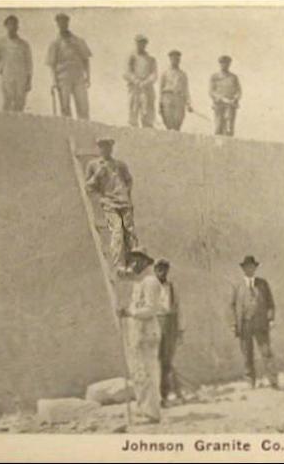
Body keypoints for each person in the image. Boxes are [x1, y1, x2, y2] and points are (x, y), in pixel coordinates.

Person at [117, 246, 161, 424]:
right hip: (136, 332)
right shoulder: (139, 282)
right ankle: (144, 408)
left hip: (147, 332)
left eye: (136, 259)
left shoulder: (151, 282)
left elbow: (150, 309)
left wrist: (129, 312)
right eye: (132, 259)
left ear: (144, 261)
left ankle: (152, 413)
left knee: (147, 372)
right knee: (138, 372)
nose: (133, 263)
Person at [84, 138, 137, 274]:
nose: (106, 149)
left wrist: (126, 193)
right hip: (109, 203)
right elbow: (88, 187)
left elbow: (129, 180)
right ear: (99, 148)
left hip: (124, 203)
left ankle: (133, 264)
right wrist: (97, 176)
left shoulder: (120, 165)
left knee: (130, 233)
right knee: (117, 232)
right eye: (103, 147)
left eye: (108, 146)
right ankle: (119, 265)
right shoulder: (93, 165)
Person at [228, 255, 279, 389]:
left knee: (266, 352)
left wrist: (271, 318)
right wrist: (233, 324)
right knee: (247, 354)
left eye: (252, 266)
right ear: (243, 269)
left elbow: (270, 303)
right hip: (245, 324)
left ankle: (273, 381)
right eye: (246, 267)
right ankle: (250, 381)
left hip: (261, 323)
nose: (249, 269)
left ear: (255, 268)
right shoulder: (237, 286)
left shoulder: (263, 284)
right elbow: (231, 306)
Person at [46, 13, 92, 119]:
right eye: (60, 22)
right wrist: (54, 81)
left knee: (83, 106)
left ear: (68, 23)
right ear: (57, 24)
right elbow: (52, 64)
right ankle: (68, 133)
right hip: (63, 77)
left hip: (78, 77)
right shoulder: (55, 43)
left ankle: (84, 131)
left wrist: (88, 76)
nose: (62, 24)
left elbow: (86, 59)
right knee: (65, 107)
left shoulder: (78, 40)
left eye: (64, 21)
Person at [153, 258, 184, 407]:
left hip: (170, 325)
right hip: (155, 325)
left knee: (167, 361)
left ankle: (165, 395)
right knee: (155, 361)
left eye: (164, 269)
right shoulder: (150, 287)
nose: (162, 272)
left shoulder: (172, 287)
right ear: (155, 271)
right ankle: (157, 396)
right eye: (159, 269)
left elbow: (178, 308)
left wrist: (180, 330)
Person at [0, 15, 33, 112]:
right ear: (6, 26)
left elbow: (29, 64)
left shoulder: (24, 44)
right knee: (7, 99)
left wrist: (29, 80)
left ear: (17, 27)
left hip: (21, 76)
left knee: (20, 101)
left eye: (14, 25)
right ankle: (5, 124)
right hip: (7, 74)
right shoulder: (1, 42)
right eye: (10, 24)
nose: (12, 27)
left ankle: (18, 124)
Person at [123, 34, 158, 128]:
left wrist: (146, 82)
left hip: (147, 88)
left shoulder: (151, 59)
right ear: (136, 43)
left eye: (143, 43)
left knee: (147, 113)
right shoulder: (131, 57)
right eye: (139, 43)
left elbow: (154, 74)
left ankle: (148, 132)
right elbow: (126, 72)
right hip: (135, 87)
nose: (141, 45)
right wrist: (136, 81)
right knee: (133, 112)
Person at [159, 50, 192, 131]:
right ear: (170, 60)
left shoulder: (183, 74)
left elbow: (186, 89)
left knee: (178, 120)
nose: (175, 61)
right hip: (167, 97)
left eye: (177, 59)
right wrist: (160, 103)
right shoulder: (165, 73)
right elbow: (160, 89)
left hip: (179, 98)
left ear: (179, 60)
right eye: (173, 59)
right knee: (168, 120)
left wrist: (188, 103)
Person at [209, 55, 241, 136]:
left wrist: (235, 98)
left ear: (229, 64)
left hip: (231, 105)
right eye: (222, 63)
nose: (224, 65)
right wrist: (222, 99)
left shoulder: (234, 77)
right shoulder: (215, 76)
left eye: (227, 63)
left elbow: (239, 90)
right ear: (220, 64)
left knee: (229, 128)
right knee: (218, 127)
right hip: (219, 104)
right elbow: (211, 91)